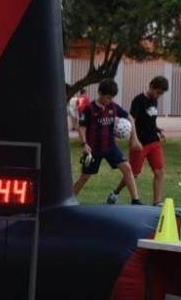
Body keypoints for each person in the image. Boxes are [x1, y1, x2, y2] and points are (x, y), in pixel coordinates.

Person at [72, 78, 143, 204]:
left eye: (112, 98)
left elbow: (130, 118)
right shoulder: (90, 108)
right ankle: (69, 199)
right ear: (100, 93)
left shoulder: (113, 107)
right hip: (93, 149)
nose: (110, 100)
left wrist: (134, 138)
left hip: (110, 147)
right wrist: (84, 144)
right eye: (108, 97)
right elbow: (81, 127)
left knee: (127, 167)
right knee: (84, 177)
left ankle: (135, 200)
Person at [107, 76, 169, 206]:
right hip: (140, 144)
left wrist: (157, 129)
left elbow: (149, 119)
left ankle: (157, 202)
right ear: (151, 86)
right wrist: (134, 139)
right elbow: (132, 120)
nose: (158, 96)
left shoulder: (154, 101)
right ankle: (115, 192)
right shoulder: (138, 100)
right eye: (157, 92)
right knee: (133, 174)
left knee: (159, 171)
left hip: (154, 142)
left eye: (161, 94)